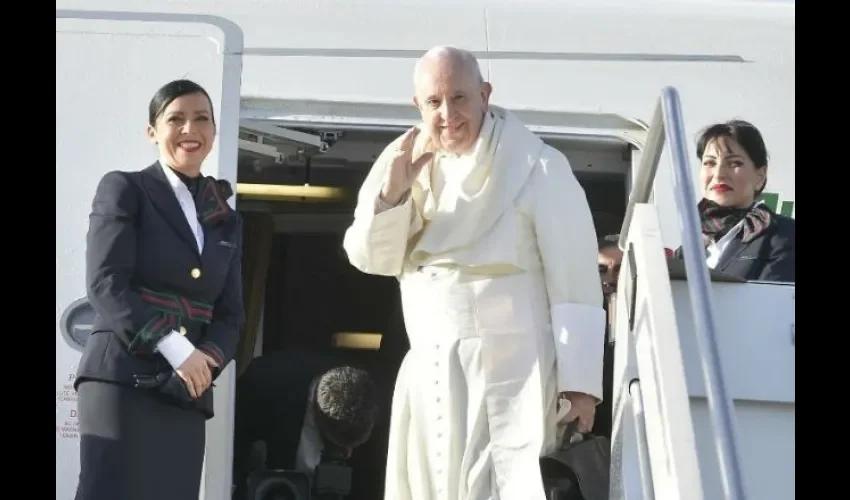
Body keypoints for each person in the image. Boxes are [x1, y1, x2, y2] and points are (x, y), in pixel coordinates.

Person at [342, 46, 605, 500]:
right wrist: (391, 197)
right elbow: (372, 259)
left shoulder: (539, 166)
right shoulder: (401, 162)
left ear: (485, 94)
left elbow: (575, 280)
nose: (447, 114)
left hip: (512, 371)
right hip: (428, 371)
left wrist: (580, 387)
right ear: (417, 106)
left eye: (459, 98)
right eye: (434, 102)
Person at [74, 79, 245, 500]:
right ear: (152, 131)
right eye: (176, 118)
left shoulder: (225, 218)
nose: (191, 129)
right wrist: (174, 346)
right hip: (123, 380)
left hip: (185, 390)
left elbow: (231, 314)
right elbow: (106, 283)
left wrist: (205, 360)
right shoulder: (126, 189)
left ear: (213, 131)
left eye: (201, 119)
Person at [232, 349, 380, 500]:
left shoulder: (369, 399)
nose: (348, 453)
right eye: (339, 444)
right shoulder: (264, 382)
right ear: (315, 409)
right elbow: (231, 453)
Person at [675, 119, 795, 282]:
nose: (719, 174)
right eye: (710, 163)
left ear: (760, 175)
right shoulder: (689, 246)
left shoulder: (785, 235)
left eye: (734, 163)